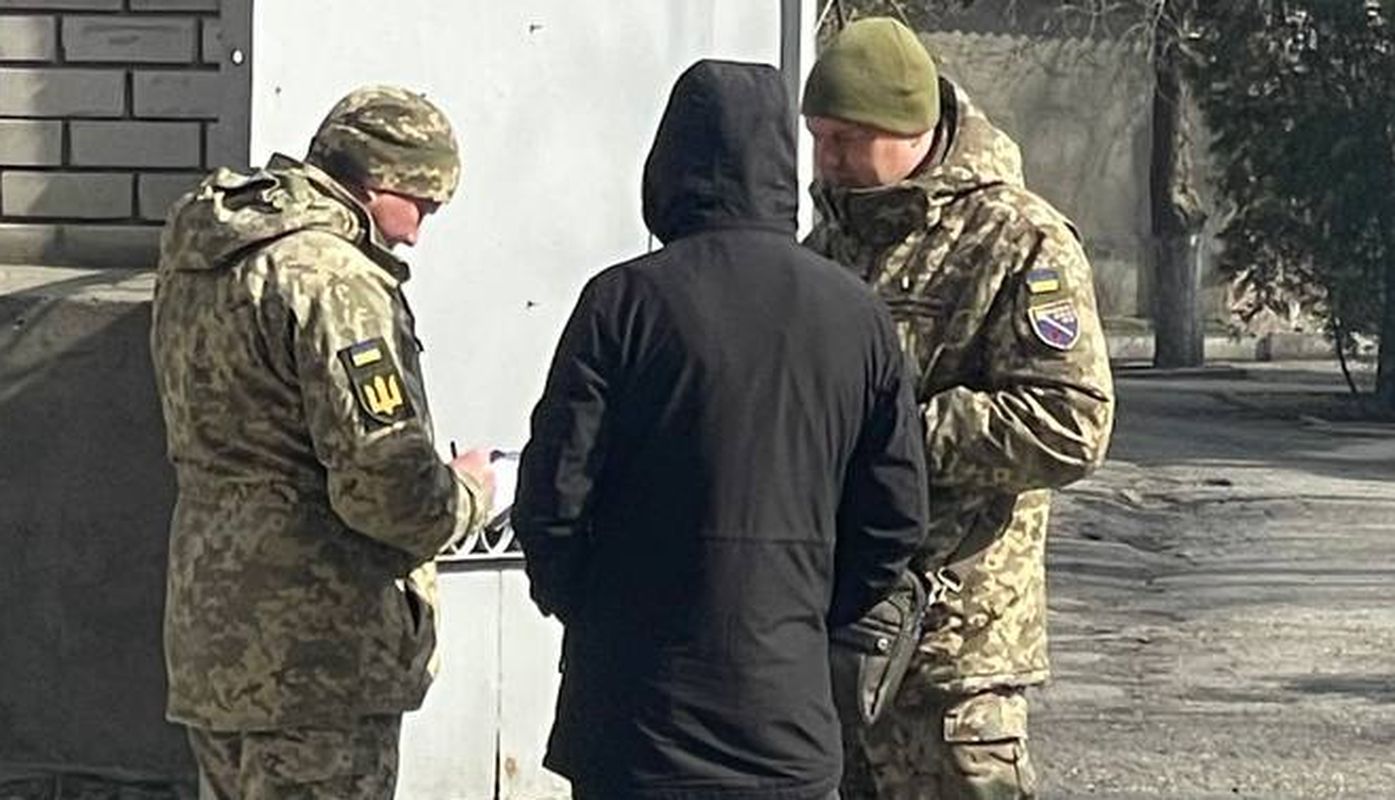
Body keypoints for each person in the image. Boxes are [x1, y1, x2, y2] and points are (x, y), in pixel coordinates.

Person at [513, 60, 929, 800]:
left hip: (635, 719)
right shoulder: (857, 314)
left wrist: (599, 614)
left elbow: (552, 499)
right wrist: (804, 612)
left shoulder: (623, 302)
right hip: (786, 716)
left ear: (667, 163)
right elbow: (894, 519)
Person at [801, 18, 1117, 800]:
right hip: (836, 633)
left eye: (848, 139)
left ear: (912, 129)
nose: (828, 160)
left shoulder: (1017, 239)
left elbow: (1071, 419)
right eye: (818, 139)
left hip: (957, 654)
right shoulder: (827, 247)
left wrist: (894, 439)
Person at [150, 84, 494, 799]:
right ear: (376, 182)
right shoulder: (334, 280)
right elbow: (388, 487)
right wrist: (471, 493)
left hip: (213, 637)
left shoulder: (205, 254)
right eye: (422, 205)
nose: (415, 235)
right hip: (320, 653)